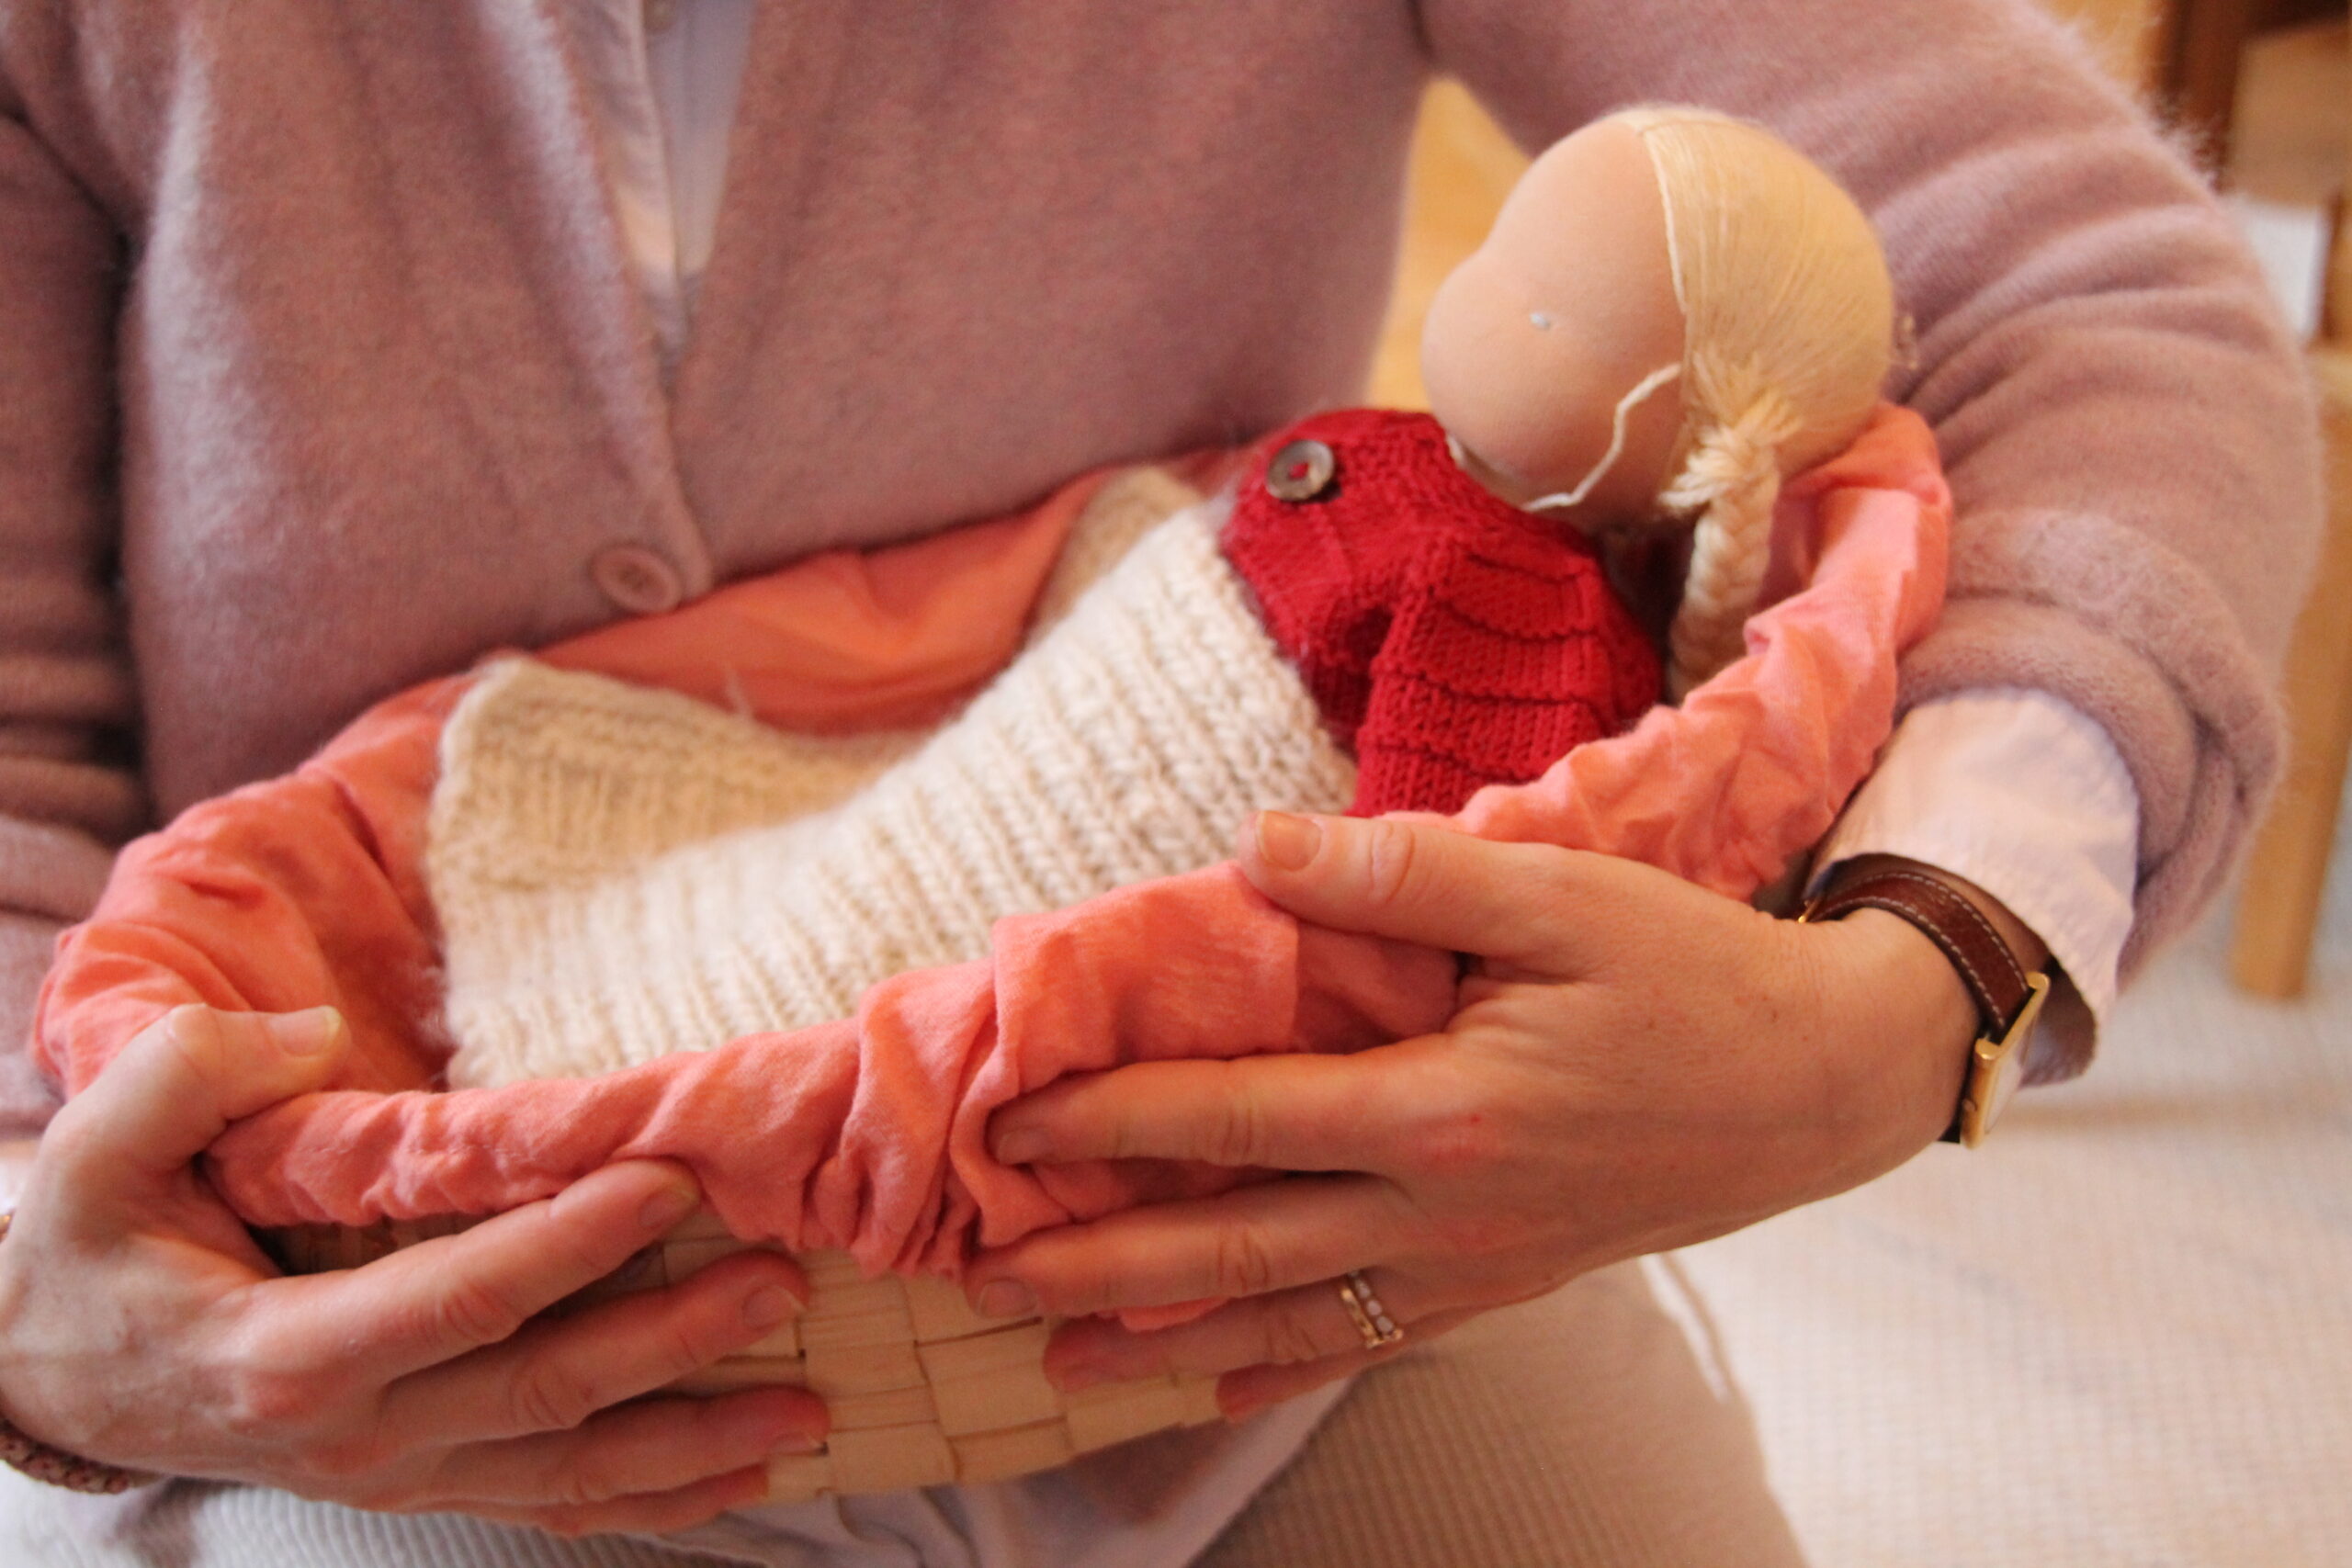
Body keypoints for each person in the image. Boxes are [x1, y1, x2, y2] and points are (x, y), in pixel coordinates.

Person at [0, 1, 2318, 1564]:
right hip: (404, 1325)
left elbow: (2092, 293)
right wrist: (44, 1314)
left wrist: (1910, 990)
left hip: (1278, 1265)